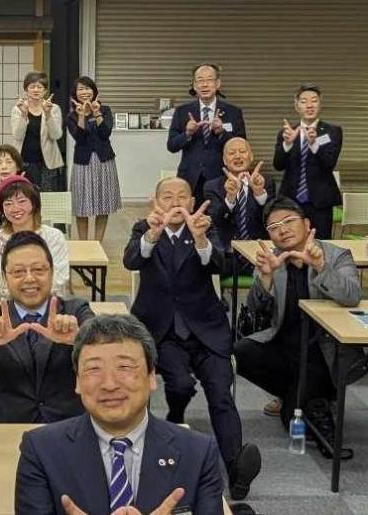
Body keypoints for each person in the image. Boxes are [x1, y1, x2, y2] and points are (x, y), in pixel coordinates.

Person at [123, 176, 261, 501]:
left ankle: (236, 468)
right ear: (155, 202)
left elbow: (222, 265)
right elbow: (131, 260)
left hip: (206, 330)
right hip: (162, 332)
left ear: (192, 201)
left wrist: (201, 240)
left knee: (220, 393)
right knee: (181, 384)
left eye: (182, 196)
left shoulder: (205, 227)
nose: (175, 202)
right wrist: (152, 235)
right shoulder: (144, 227)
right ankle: (175, 417)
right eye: (167, 196)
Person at [15, 314, 224, 515]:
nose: (109, 384)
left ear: (152, 376)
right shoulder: (41, 450)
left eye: (124, 367)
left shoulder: (198, 454)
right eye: (94, 369)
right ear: (77, 381)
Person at [235, 197, 362, 459]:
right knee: (240, 352)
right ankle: (307, 399)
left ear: (306, 224)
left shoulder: (336, 256)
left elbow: (351, 296)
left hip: (323, 351)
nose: (282, 230)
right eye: (274, 227)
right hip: (284, 345)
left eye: (289, 221)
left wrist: (320, 266)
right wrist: (266, 278)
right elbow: (255, 309)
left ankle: (306, 401)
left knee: (290, 414)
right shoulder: (273, 258)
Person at [0, 231, 93, 423]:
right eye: (18, 272)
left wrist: (79, 339)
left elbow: (105, 343)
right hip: (11, 426)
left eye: (38, 270)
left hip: (69, 426)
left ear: (52, 272)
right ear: (5, 277)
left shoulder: (75, 310)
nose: (29, 279)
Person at [167, 63, 246, 206]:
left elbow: (242, 145)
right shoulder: (182, 111)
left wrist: (221, 132)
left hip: (221, 178)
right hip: (189, 178)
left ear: (218, 83)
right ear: (194, 85)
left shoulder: (233, 112)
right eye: (200, 80)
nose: (204, 85)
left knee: (219, 216)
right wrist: (187, 133)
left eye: (209, 80)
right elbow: (171, 146)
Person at [0, 175, 69, 298]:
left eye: (22, 201)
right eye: (8, 204)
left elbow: (59, 278)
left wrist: (28, 292)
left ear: (34, 203)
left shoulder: (53, 237)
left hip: (46, 303)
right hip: (8, 304)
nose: (15, 208)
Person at [273, 83, 343, 240]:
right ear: (296, 105)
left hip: (320, 201)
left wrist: (314, 144)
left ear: (320, 103)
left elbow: (329, 163)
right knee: (291, 242)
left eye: (314, 101)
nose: (309, 105)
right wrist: (287, 144)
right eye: (304, 101)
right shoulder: (287, 132)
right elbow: (278, 165)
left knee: (321, 244)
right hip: (291, 201)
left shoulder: (332, 131)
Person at [204, 137, 275, 276]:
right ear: (224, 160)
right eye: (232, 153)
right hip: (228, 255)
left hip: (259, 253)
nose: (237, 156)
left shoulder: (265, 182)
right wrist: (230, 198)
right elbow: (217, 221)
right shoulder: (212, 186)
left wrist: (259, 193)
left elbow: (271, 220)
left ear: (251, 156)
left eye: (242, 151)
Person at [67, 76, 120, 241]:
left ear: (94, 91)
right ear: (75, 94)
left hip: (104, 162)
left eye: (88, 88)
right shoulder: (72, 116)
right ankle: (83, 244)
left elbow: (105, 133)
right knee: (81, 207)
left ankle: (98, 244)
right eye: (80, 89)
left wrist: (96, 112)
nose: (85, 92)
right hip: (83, 163)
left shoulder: (105, 110)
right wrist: (81, 116)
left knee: (103, 206)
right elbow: (80, 138)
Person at [11, 71, 64, 192]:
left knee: (47, 198)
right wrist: (24, 115)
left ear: (45, 90)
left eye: (39, 87)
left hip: (48, 162)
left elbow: (56, 135)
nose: (36, 90)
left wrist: (48, 114)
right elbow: (17, 136)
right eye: (32, 87)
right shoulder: (18, 109)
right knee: (26, 196)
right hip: (24, 161)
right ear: (26, 90)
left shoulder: (53, 108)